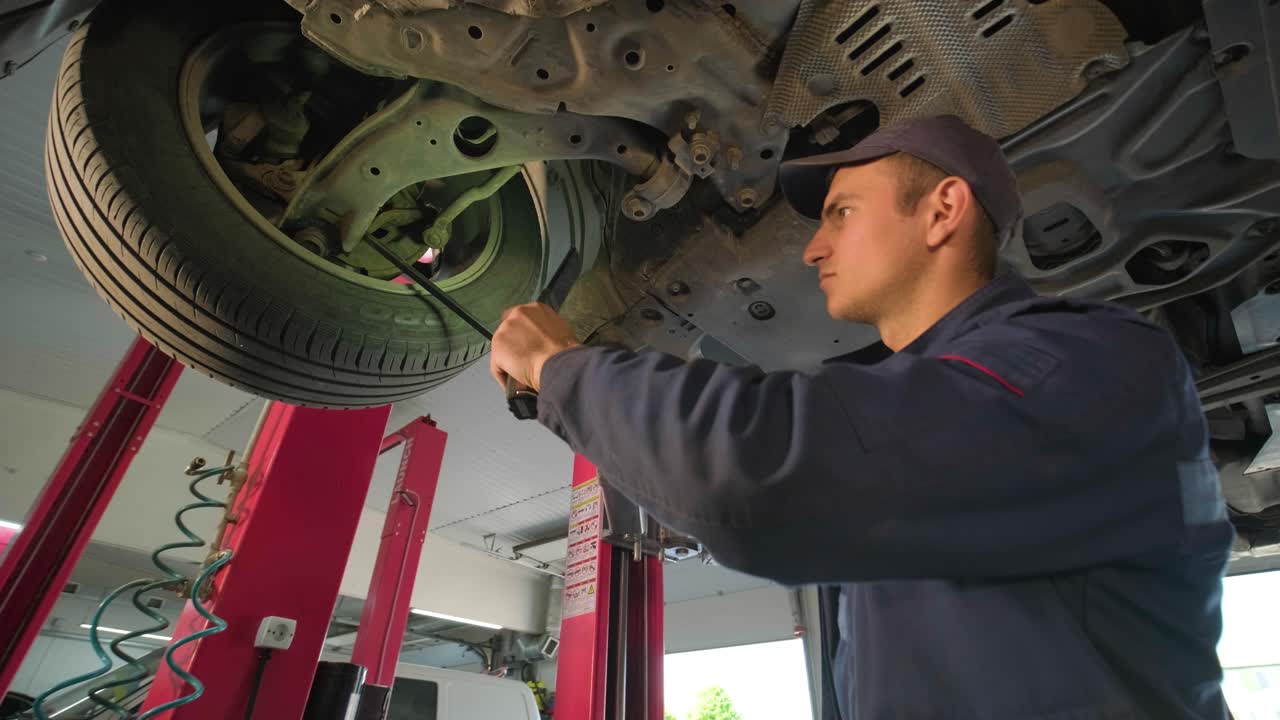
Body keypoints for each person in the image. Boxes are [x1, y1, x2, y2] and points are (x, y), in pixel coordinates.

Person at [489, 115, 1233, 719]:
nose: (813, 248)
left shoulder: (1083, 363)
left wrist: (560, 369)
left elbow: (759, 475)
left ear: (943, 210)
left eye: (841, 214)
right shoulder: (916, 431)